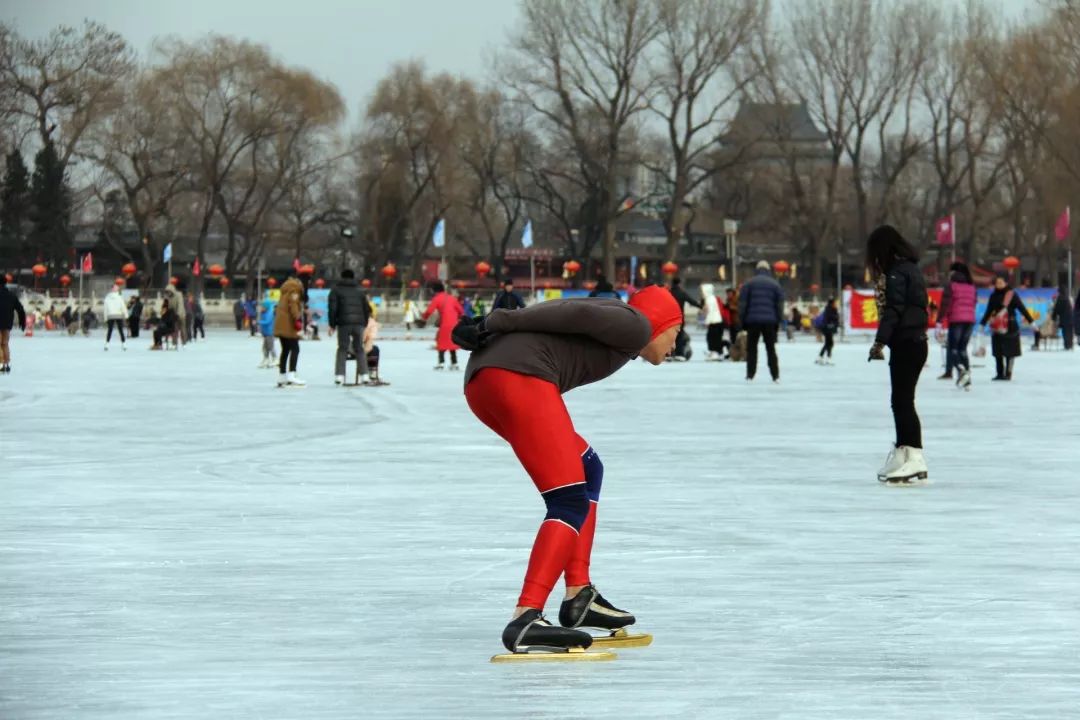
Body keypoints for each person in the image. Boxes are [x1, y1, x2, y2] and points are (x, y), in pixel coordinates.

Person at [451, 286, 682, 654]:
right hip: (516, 377)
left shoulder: (625, 335)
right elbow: (573, 311)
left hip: (486, 384)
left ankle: (579, 595)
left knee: (588, 469)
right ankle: (526, 616)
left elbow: (572, 317)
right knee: (568, 500)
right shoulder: (636, 325)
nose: (675, 345)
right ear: (661, 322)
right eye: (676, 331)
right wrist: (496, 321)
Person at [866, 225, 929, 483]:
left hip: (907, 342)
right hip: (913, 341)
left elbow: (894, 309)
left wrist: (880, 341)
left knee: (903, 402)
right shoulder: (911, 268)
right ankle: (904, 453)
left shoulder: (896, 273)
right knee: (901, 401)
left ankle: (914, 457)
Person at [979, 274, 1035, 381]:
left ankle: (1008, 373)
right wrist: (982, 323)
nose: (999, 285)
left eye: (1001, 282)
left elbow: (1022, 309)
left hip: (1010, 325)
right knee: (998, 351)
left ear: (1006, 283)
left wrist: (1031, 322)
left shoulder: (1011, 294)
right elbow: (988, 311)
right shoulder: (993, 296)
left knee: (1010, 351)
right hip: (997, 326)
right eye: (997, 283)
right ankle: (999, 373)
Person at [738, 260, 784, 382]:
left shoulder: (748, 284)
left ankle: (750, 375)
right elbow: (779, 305)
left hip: (752, 321)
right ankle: (775, 375)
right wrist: (778, 320)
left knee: (752, 349)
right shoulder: (775, 285)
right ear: (768, 270)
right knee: (771, 348)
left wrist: (742, 321)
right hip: (770, 321)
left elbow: (742, 304)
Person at [328, 269, 372, 385]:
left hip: (344, 323)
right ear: (353, 277)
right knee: (359, 348)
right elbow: (367, 309)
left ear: (341, 277)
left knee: (342, 348)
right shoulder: (360, 290)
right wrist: (364, 322)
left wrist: (332, 325)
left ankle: (340, 375)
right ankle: (364, 375)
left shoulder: (335, 290)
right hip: (359, 323)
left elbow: (332, 309)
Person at [937, 261, 977, 387]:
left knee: (953, 348)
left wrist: (939, 320)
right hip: (970, 320)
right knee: (962, 349)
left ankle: (960, 370)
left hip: (956, 320)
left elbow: (945, 304)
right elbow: (974, 303)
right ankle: (966, 375)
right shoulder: (972, 287)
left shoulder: (952, 286)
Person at [422, 281, 465, 370]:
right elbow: (461, 311)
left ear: (434, 290)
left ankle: (441, 363)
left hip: (445, 324)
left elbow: (429, 311)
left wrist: (424, 317)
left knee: (441, 342)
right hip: (454, 324)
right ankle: (454, 363)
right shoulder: (452, 298)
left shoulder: (437, 298)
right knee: (452, 343)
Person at [274, 277, 306, 387]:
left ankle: (282, 376)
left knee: (285, 350)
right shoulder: (294, 291)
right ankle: (292, 374)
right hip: (288, 326)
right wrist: (298, 318)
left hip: (280, 325)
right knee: (295, 348)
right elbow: (293, 306)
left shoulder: (284, 292)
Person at [0, 280, 28, 373]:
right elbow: (20, 309)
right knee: (5, 344)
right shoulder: (11, 296)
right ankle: (6, 364)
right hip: (7, 324)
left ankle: (1, 364)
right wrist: (22, 322)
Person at [700, 283, 728, 360]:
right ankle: (717, 352)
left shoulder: (709, 299)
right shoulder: (712, 298)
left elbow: (710, 312)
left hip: (714, 322)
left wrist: (707, 321)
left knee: (712, 338)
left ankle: (715, 353)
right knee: (715, 338)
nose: (701, 293)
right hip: (717, 321)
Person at [102, 284, 128, 351]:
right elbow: (123, 306)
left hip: (110, 315)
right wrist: (126, 315)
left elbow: (105, 308)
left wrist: (105, 317)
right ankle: (124, 344)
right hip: (118, 315)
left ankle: (107, 344)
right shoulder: (120, 297)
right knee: (120, 330)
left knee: (110, 330)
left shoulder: (107, 297)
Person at [815, 298, 840, 365]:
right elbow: (831, 318)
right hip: (827, 328)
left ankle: (820, 358)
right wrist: (836, 316)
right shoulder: (830, 309)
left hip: (827, 328)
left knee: (828, 343)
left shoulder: (829, 309)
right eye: (835, 303)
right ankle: (827, 359)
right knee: (830, 343)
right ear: (832, 303)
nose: (836, 304)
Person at [1051, 285, 1074, 350]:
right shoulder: (1067, 298)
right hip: (1070, 318)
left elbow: (1057, 309)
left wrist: (1053, 316)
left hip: (1064, 318)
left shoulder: (1060, 298)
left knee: (1065, 332)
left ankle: (1067, 345)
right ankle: (1070, 345)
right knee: (1070, 332)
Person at [257, 296, 277, 368]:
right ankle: (266, 359)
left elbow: (267, 321)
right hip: (265, 333)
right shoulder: (265, 312)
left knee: (270, 347)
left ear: (266, 306)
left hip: (270, 333)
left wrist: (258, 322)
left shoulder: (269, 312)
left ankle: (275, 359)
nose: (261, 307)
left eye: (262, 306)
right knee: (265, 347)